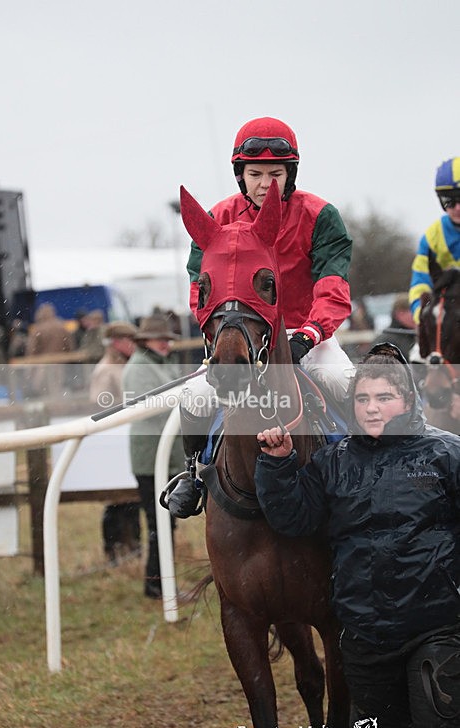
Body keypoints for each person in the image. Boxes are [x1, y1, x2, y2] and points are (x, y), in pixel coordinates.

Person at [254, 343, 460, 728]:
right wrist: (278, 463)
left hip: (437, 629)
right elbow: (293, 518)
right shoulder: (334, 461)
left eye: (384, 398)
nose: (372, 408)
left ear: (407, 400)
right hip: (365, 638)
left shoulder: (446, 454)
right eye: (363, 399)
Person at [167, 115, 354, 518]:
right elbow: (200, 289)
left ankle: (367, 472)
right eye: (255, 173)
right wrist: (219, 335)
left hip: (308, 334)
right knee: (196, 395)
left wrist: (307, 335)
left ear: (291, 173)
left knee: (342, 379)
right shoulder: (218, 217)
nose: (266, 182)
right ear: (240, 175)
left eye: (276, 172)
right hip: (242, 337)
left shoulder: (321, 216)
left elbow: (333, 288)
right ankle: (192, 475)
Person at [122, 314, 184, 599]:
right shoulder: (139, 367)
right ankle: (157, 584)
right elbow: (157, 404)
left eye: (168, 339)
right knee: (159, 523)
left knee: (164, 523)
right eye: (161, 339)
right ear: (145, 340)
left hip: (164, 456)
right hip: (151, 458)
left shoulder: (157, 363)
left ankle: (159, 583)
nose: (165, 344)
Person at [89, 321, 141, 564]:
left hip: (128, 438)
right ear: (115, 343)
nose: (132, 344)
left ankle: (133, 545)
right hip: (114, 442)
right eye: (127, 340)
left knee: (132, 496)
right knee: (115, 499)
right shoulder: (106, 370)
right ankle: (113, 549)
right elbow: (100, 406)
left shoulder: (127, 366)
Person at [409, 157, 460, 336]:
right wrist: (423, 314)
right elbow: (420, 284)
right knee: (418, 356)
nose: (458, 207)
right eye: (449, 200)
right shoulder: (432, 237)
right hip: (447, 324)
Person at [25, 302, 74, 396]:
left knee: (45, 391)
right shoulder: (61, 326)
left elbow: (31, 350)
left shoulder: (38, 329)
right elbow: (70, 346)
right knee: (58, 388)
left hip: (43, 365)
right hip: (60, 363)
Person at [371, 293, 416, 362]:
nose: (416, 315)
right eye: (412, 311)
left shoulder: (418, 337)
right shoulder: (385, 341)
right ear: (399, 314)